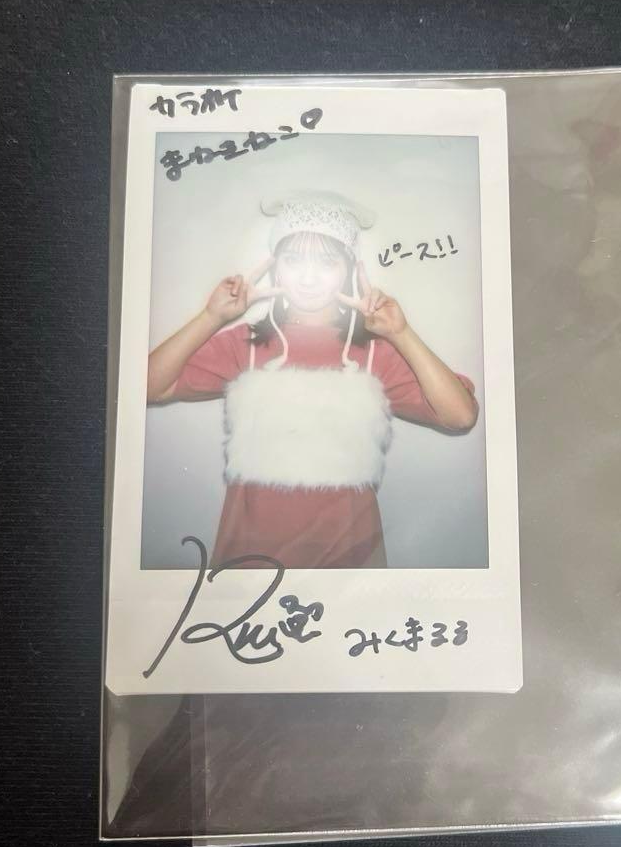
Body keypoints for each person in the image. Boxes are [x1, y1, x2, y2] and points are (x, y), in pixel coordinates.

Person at [145, 192, 478, 569]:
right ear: (276, 267)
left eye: (327, 262)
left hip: (350, 565)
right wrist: (211, 318)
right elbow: (147, 386)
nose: (307, 277)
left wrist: (402, 334)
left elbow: (460, 415)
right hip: (250, 565)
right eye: (293, 259)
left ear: (348, 269)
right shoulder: (247, 345)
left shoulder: (373, 352)